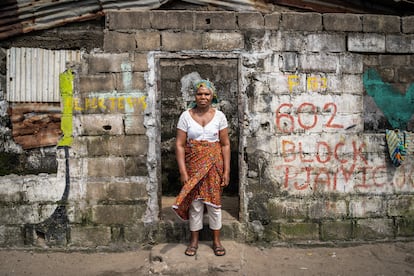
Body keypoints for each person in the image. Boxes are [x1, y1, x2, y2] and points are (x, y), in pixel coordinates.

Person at [172, 79, 230, 257]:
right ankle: (194, 241)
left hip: (214, 165)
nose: (203, 97)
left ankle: (216, 240)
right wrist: (183, 171)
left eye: (207, 94)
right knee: (195, 203)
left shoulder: (219, 116)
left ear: (212, 96)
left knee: (214, 203)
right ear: (195, 96)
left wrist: (227, 171)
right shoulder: (185, 116)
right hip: (193, 165)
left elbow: (225, 144)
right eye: (199, 94)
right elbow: (180, 145)